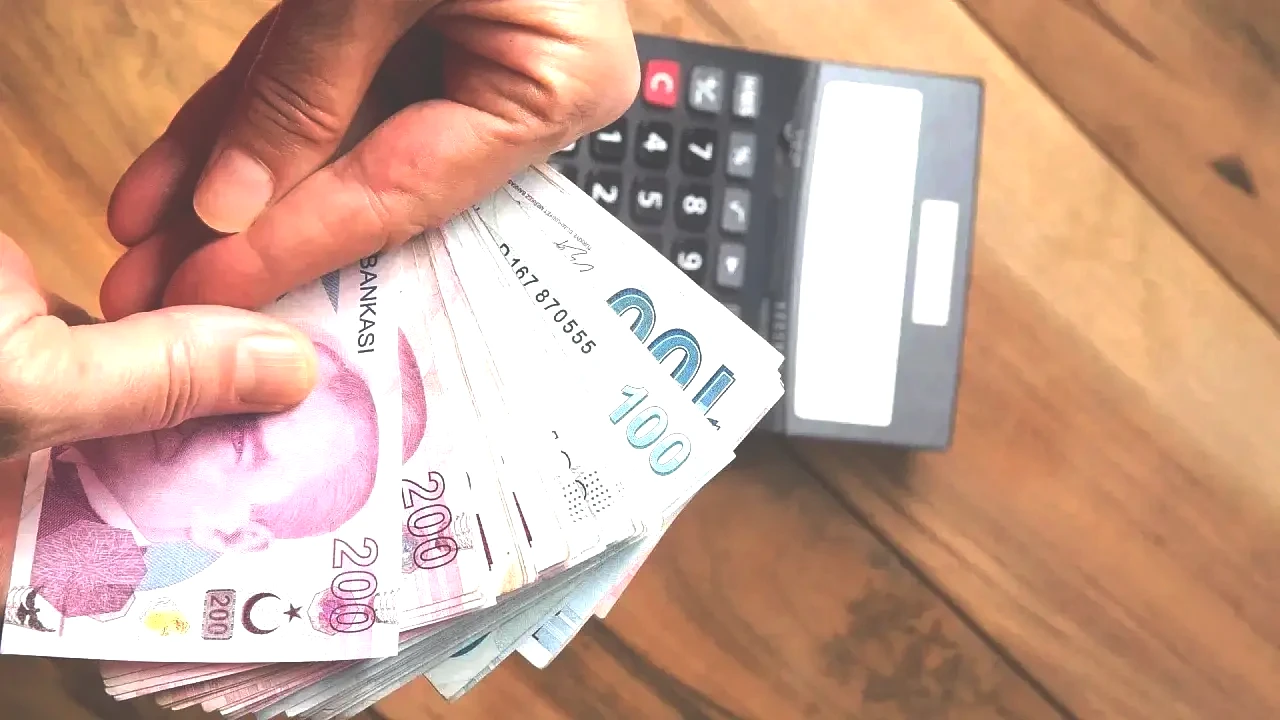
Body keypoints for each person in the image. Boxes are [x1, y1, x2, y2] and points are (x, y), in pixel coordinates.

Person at [0, 0, 637, 607]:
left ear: (232, 533)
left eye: (239, 435)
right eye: (241, 409)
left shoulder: (82, 577)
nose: (210, 403)